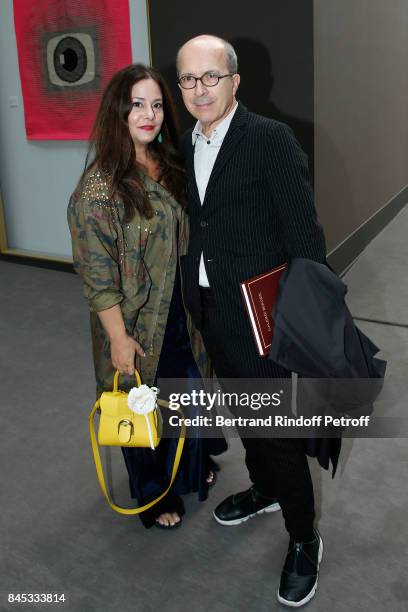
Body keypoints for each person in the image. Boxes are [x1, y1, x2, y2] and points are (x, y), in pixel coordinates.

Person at [177, 35, 331, 606]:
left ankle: (304, 537)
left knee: (280, 431)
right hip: (211, 311)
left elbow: (305, 238)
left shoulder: (269, 140)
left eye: (210, 77)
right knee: (243, 417)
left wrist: (308, 321)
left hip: (263, 317)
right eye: (189, 80)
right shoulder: (184, 140)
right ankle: (264, 488)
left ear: (234, 81)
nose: (199, 90)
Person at [68, 63, 226, 530]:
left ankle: (191, 465)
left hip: (183, 310)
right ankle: (154, 495)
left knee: (189, 397)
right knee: (140, 409)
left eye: (157, 104)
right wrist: (117, 339)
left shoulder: (171, 162)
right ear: (118, 111)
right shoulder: (97, 189)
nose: (149, 114)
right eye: (137, 104)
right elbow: (97, 277)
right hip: (136, 324)